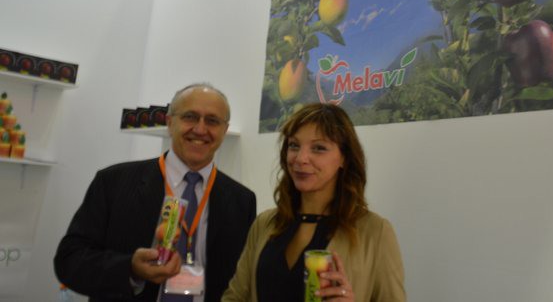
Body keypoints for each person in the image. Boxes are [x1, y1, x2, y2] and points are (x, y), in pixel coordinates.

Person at [54, 83, 257, 302]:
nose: (200, 129)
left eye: (212, 121)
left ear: (224, 130)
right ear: (170, 123)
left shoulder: (242, 201)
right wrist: (130, 268)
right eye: (190, 117)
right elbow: (69, 261)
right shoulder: (113, 183)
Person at [222, 103, 405, 302]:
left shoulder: (375, 232)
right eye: (294, 145)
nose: (301, 158)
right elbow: (234, 297)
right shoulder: (265, 223)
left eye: (319, 148)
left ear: (344, 158)